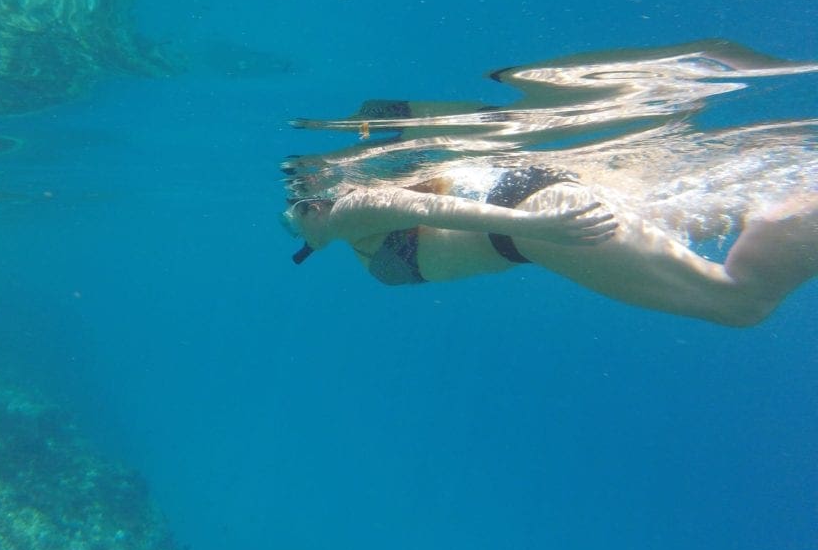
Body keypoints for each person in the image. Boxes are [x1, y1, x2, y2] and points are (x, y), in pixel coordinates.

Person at [284, 162, 818, 327]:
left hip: (533, 223)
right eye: (293, 221)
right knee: (738, 216)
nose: (301, 223)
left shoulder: (349, 212)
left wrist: (543, 229)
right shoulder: (353, 228)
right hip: (532, 215)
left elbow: (433, 209)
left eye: (297, 213)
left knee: (740, 302)